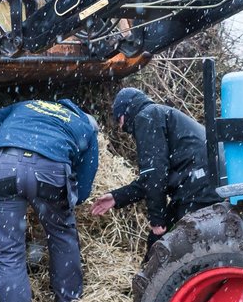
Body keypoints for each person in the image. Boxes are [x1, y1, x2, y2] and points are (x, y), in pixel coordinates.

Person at [0, 99, 99, 302]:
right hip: (50, 170)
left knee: (8, 253)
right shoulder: (85, 126)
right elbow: (84, 189)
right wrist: (62, 205)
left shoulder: (28, 105)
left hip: (3, 164)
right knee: (62, 236)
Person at [90, 87, 220, 252]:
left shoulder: (146, 116)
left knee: (161, 249)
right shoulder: (161, 114)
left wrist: (157, 221)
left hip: (196, 188)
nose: (121, 127)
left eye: (119, 120)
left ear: (124, 112)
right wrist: (117, 197)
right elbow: (152, 178)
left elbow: (154, 174)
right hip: (206, 183)